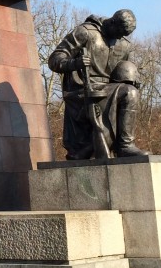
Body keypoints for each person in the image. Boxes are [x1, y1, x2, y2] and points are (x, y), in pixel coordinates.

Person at [48, 9, 145, 160]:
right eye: (118, 33)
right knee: (127, 92)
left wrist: (134, 77)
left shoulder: (124, 44)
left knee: (131, 91)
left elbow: (126, 71)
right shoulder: (85, 32)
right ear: (112, 22)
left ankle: (124, 145)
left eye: (123, 35)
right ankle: (108, 146)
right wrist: (75, 63)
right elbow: (54, 60)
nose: (119, 38)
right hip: (82, 90)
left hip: (109, 88)